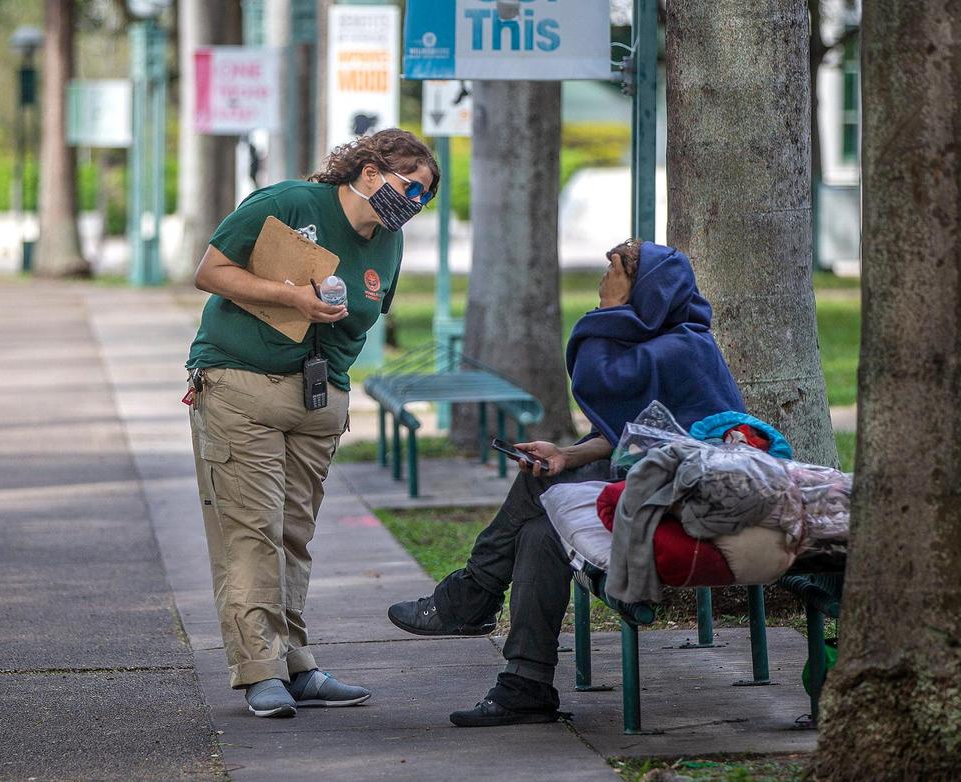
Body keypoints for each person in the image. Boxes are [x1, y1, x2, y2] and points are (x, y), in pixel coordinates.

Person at [387, 239, 745, 727]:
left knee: (538, 493)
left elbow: (598, 378)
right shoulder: (664, 344)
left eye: (614, 271)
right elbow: (631, 437)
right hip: (652, 487)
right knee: (540, 533)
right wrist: (567, 455)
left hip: (684, 503)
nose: (603, 281)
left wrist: (614, 310)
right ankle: (524, 686)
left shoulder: (684, 349)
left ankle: (472, 595)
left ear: (645, 289)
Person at [186, 129, 439, 718]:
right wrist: (290, 296)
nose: (415, 203)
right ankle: (258, 671)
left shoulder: (388, 243)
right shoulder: (290, 204)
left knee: (294, 534)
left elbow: (371, 316)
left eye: (425, 196)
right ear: (371, 172)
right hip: (241, 383)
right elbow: (211, 271)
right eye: (410, 187)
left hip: (319, 400)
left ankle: (296, 664)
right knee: (251, 530)